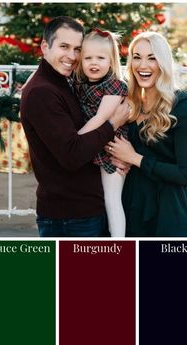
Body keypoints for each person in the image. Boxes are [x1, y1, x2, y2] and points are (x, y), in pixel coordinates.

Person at [20, 16, 129, 237]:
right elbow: (71, 154)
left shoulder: (64, 80)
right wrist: (112, 124)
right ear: (45, 47)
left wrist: (123, 153)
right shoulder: (42, 92)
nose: (72, 56)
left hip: (85, 209)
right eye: (64, 47)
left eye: (77, 49)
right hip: (69, 217)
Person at [107, 31, 187, 236]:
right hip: (133, 208)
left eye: (152, 58)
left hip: (169, 216)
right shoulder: (129, 105)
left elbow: (186, 174)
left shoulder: (183, 108)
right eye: (137, 57)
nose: (143, 66)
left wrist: (134, 158)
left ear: (163, 63)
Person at [75, 28, 128, 237]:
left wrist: (73, 141)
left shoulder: (115, 85)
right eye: (88, 57)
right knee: (96, 198)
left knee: (112, 199)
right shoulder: (82, 83)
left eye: (100, 57)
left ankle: (119, 244)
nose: (93, 63)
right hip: (94, 145)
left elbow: (100, 118)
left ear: (111, 60)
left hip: (111, 151)